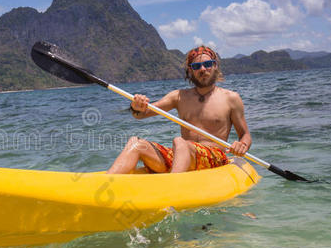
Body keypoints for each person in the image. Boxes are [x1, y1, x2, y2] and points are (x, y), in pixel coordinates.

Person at [107, 45, 251, 174]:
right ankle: (107, 183)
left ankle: (171, 192)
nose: (203, 69)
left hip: (214, 158)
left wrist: (242, 145)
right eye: (196, 66)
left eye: (207, 64)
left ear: (215, 66)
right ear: (190, 70)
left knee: (180, 142)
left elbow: (245, 134)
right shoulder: (179, 96)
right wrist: (136, 106)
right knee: (136, 143)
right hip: (182, 155)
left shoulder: (231, 98)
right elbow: (141, 114)